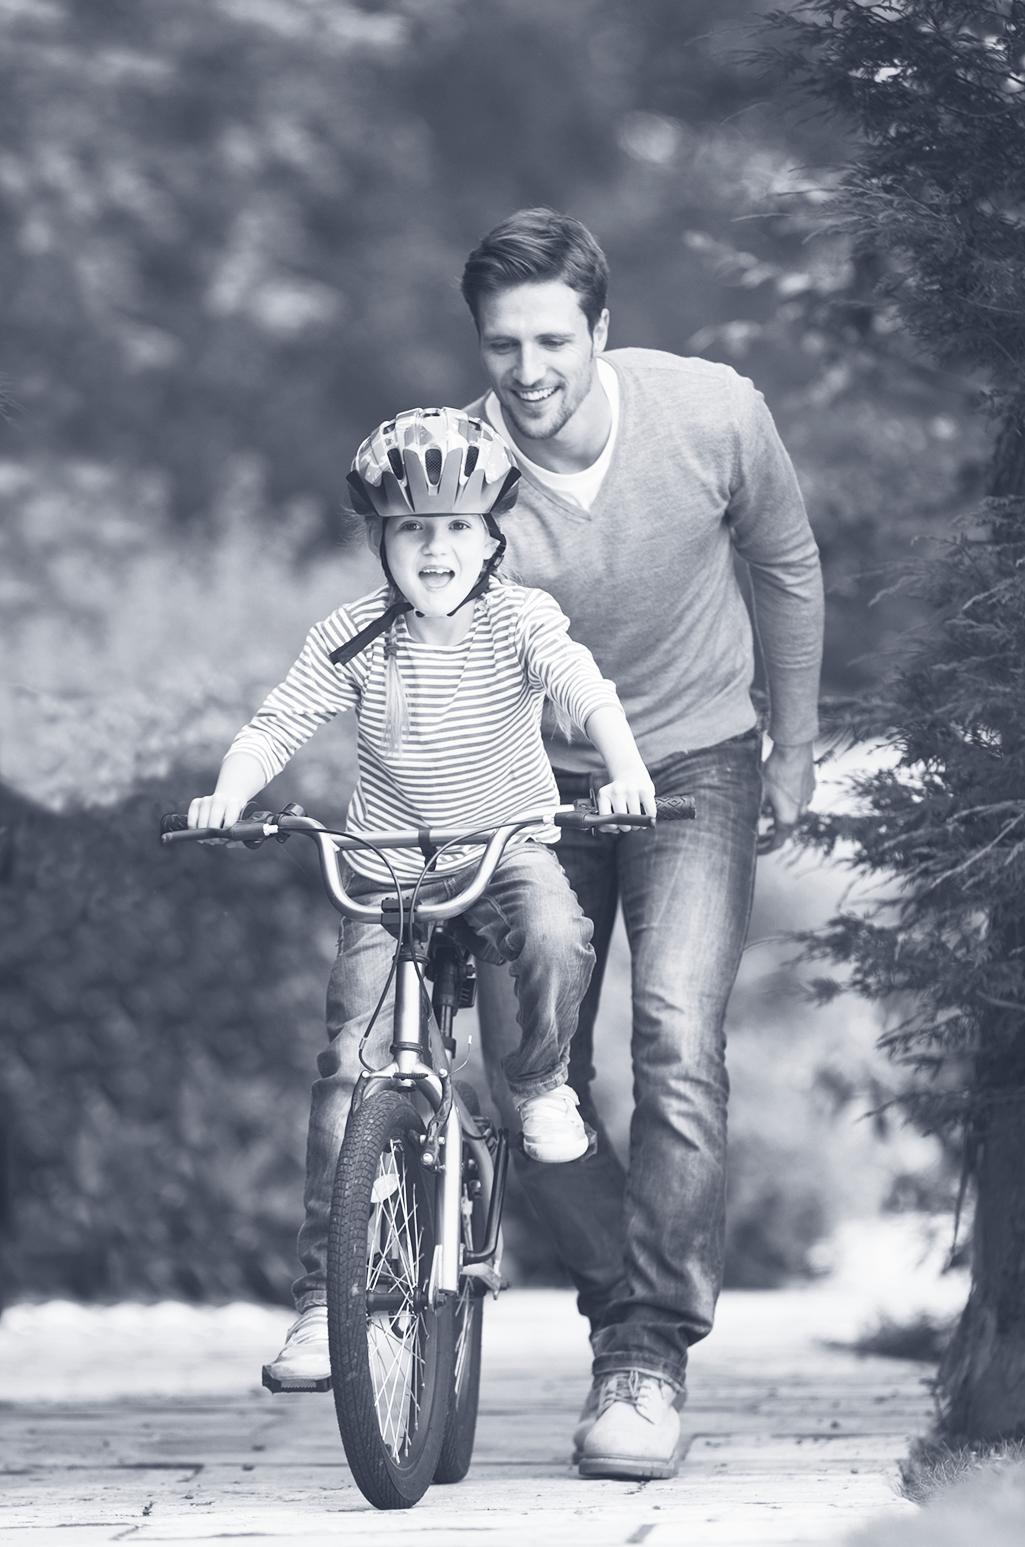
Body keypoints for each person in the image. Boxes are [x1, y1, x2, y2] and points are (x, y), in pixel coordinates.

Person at [459, 208, 825, 1481]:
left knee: (674, 1039)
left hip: (694, 763)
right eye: (501, 345)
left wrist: (794, 746)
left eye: (552, 339)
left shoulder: (711, 413)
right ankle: (626, 1294)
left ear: (600, 329)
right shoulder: (458, 471)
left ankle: (644, 1355)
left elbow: (785, 565)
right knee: (531, 1071)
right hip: (529, 784)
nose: (528, 370)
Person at [185, 407, 656, 1387]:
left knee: (553, 929)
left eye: (456, 527)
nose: (434, 548)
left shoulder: (520, 620)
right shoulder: (354, 634)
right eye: (410, 528)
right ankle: (325, 1303)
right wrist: (229, 792)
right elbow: (278, 721)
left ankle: (539, 1085)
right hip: (388, 866)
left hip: (503, 850)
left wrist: (623, 769)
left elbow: (581, 687)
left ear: (492, 538)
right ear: (379, 539)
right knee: (348, 1070)